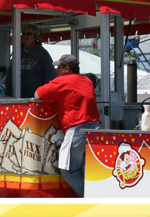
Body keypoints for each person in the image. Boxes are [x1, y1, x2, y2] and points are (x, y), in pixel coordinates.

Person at [34, 54, 101, 198]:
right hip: (95, 129)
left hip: (77, 130)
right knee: (87, 170)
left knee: (67, 169)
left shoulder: (62, 81)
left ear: (67, 69)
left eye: (59, 67)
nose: (57, 69)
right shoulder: (87, 81)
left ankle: (89, 199)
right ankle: (96, 198)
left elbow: (37, 94)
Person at [5, 24, 56, 99]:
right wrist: (8, 93)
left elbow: (50, 76)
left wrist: (45, 95)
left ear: (35, 36)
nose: (25, 36)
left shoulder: (43, 54)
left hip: (36, 98)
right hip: (17, 97)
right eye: (24, 34)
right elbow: (10, 74)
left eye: (28, 34)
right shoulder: (17, 53)